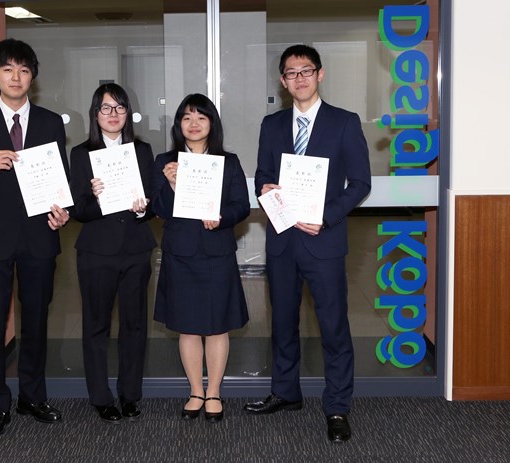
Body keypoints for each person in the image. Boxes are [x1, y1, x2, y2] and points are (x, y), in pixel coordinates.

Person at [244, 44, 371, 443]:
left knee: (333, 326)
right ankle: (286, 392)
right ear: (282, 81)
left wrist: (327, 215)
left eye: (306, 71)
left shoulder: (344, 123)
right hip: (282, 240)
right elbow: (263, 174)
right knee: (283, 322)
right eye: (290, 73)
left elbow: (361, 184)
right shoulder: (272, 124)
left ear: (320, 74)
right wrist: (266, 188)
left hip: (324, 241)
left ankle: (337, 406)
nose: (299, 78)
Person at [0, 38, 69, 438]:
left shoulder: (52, 122)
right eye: (8, 70)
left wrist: (62, 212)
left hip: (40, 237)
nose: (16, 77)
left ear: (32, 76)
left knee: (36, 320)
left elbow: (62, 182)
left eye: (23, 70)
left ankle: (33, 397)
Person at [151, 94, 250, 423]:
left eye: (201, 118)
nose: (193, 124)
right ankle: (195, 390)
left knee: (217, 326)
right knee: (188, 328)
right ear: (179, 124)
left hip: (216, 250)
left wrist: (222, 217)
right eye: (186, 118)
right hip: (181, 251)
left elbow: (241, 205)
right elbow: (160, 210)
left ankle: (214, 392)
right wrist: (170, 182)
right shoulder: (165, 161)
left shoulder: (229, 161)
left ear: (212, 124)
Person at [69, 83, 157, 423]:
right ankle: (101, 397)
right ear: (95, 114)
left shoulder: (142, 151)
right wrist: (94, 196)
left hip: (135, 249)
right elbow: (78, 210)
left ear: (128, 114)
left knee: (134, 326)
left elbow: (151, 204)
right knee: (96, 326)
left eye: (120, 108)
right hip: (96, 252)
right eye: (106, 108)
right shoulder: (80, 154)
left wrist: (141, 209)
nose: (113, 115)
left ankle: (130, 394)